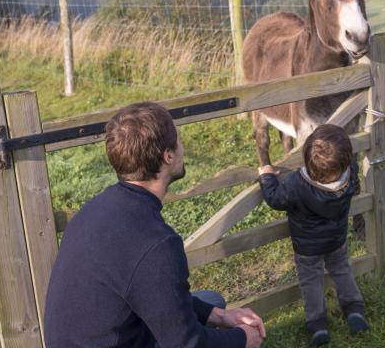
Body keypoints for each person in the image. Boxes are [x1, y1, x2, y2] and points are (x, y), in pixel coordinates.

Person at [44, 102, 265, 348]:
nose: (183, 148)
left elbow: (151, 291)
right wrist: (244, 338)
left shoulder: (94, 209)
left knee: (212, 301)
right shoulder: (156, 244)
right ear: (167, 156)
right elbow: (187, 344)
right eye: (179, 140)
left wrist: (220, 316)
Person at [258, 124, 369, 346]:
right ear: (346, 159)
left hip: (307, 248)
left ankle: (318, 325)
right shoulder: (350, 174)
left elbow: (275, 199)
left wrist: (267, 177)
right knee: (342, 270)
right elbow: (353, 176)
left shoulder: (296, 184)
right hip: (337, 240)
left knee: (311, 282)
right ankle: (354, 309)